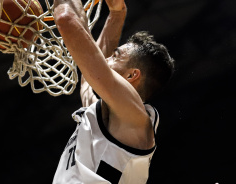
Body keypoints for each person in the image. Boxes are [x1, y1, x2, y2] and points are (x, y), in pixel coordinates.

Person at [52, 0, 175, 183]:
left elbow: (66, 20)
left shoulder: (135, 119)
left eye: (115, 56)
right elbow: (88, 78)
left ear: (132, 75)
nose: (106, 59)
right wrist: (117, 14)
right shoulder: (106, 113)